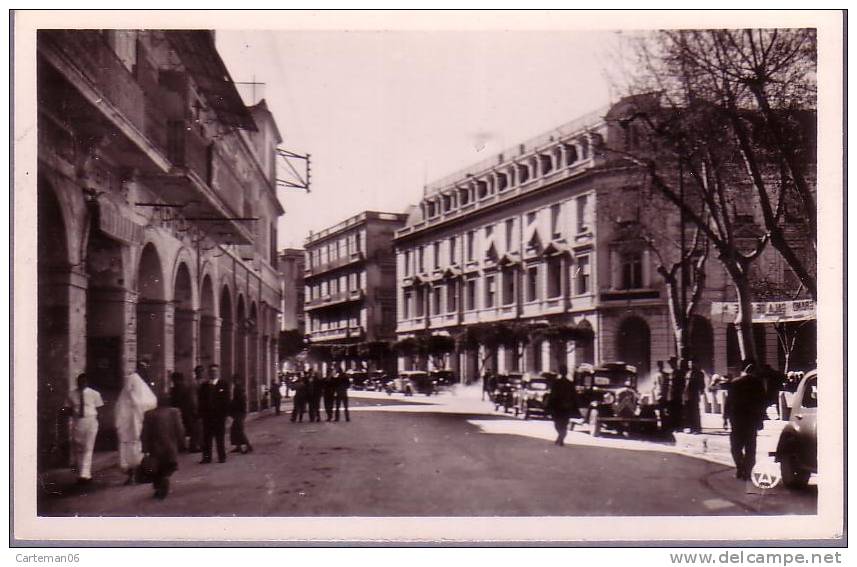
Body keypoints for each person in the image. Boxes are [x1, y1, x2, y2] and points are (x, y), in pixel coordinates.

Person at [724, 361, 768, 480]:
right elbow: (762, 403)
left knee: (735, 447)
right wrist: (761, 419)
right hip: (751, 420)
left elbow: (728, 402)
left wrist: (724, 418)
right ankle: (747, 471)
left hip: (736, 420)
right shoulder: (758, 384)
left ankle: (740, 467)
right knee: (750, 448)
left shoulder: (735, 383)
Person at [115, 365, 158, 484]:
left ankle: (136, 475)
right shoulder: (141, 392)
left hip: (134, 427)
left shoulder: (138, 394)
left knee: (134, 449)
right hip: (133, 427)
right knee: (134, 449)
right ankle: (135, 475)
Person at [141, 392, 186, 499]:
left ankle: (158, 488)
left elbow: (145, 433)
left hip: (154, 448)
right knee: (168, 466)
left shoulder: (149, 414)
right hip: (170, 446)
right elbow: (179, 429)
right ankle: (165, 480)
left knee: (157, 469)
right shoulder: (174, 412)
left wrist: (144, 448)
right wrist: (182, 441)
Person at [64, 373, 104, 484]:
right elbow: (67, 409)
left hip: (91, 421)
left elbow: (99, 410)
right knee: (78, 448)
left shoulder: (94, 394)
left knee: (88, 447)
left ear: (87, 382)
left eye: (84, 381)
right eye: (79, 381)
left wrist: (96, 423)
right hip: (77, 422)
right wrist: (74, 414)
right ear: (77, 382)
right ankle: (80, 473)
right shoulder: (71, 394)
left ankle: (85, 475)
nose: (82, 384)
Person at [198, 364, 230, 463]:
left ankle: (222, 457)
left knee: (219, 437)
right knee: (207, 438)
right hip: (207, 416)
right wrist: (201, 414)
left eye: (215, 371)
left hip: (219, 416)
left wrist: (226, 415)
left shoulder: (223, 384)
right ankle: (207, 457)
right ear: (209, 373)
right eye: (211, 371)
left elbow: (226, 400)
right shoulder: (204, 386)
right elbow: (201, 401)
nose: (213, 373)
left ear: (218, 372)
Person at [545, 365, 577, 447]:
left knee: (558, 424)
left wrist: (549, 406)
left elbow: (553, 395)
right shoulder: (568, 383)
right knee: (563, 424)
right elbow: (574, 396)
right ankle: (561, 438)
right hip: (564, 406)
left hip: (559, 407)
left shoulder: (557, 383)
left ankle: (560, 438)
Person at [169, 372, 197, 452]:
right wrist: (194, 409)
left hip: (178, 412)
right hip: (187, 411)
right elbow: (192, 400)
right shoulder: (188, 387)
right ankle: (192, 446)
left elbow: (173, 401)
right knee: (192, 430)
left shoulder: (175, 388)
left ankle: (182, 446)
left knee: (180, 430)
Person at [229, 380, 253, 454]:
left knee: (239, 431)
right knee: (235, 430)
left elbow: (239, 405)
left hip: (239, 414)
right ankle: (238, 446)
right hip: (239, 413)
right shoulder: (240, 392)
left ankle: (249, 446)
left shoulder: (240, 394)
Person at [683, 359, 706, 434]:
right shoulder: (688, 373)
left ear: (696, 364)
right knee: (688, 412)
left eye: (692, 363)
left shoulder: (699, 373)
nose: (691, 365)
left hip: (694, 394)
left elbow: (702, 384)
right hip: (687, 394)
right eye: (689, 364)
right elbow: (685, 384)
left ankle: (697, 428)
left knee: (695, 411)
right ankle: (691, 427)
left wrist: (701, 390)